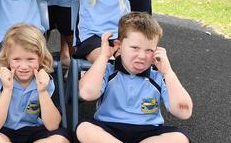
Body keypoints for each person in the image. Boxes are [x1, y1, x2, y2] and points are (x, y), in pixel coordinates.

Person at [76, 12, 192, 143]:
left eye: (149, 50)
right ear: (119, 46)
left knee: (180, 138)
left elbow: (184, 112)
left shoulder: (159, 75)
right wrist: (103, 57)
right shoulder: (108, 69)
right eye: (135, 48)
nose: (142, 56)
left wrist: (168, 72)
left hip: (149, 133)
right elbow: (86, 93)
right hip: (109, 129)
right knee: (84, 128)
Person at [0, 24, 72, 143]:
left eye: (30, 59)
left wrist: (43, 91)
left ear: (40, 58)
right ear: (7, 58)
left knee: (60, 139)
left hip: (37, 131)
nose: (24, 66)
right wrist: (7, 89)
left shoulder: (46, 80)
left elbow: (52, 126)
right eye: (16, 59)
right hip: (5, 131)